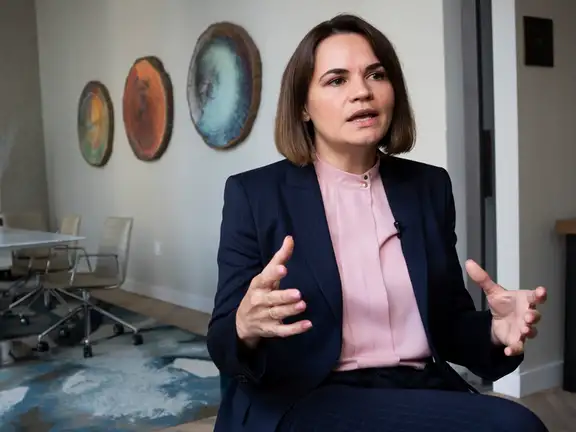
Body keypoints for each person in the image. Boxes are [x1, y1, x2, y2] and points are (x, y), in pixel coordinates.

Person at [207, 14, 548, 432]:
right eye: (337, 80)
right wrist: (244, 325)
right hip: (309, 393)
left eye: (376, 75)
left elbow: (448, 323)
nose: (362, 92)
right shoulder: (255, 194)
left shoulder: (428, 187)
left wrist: (496, 331)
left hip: (416, 385)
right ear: (303, 107)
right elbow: (222, 340)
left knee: (515, 424)